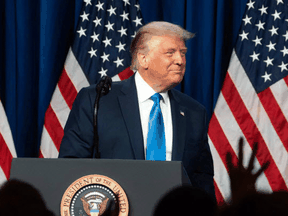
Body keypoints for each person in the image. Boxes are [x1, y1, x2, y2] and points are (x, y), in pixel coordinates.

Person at [59, 21, 215, 199]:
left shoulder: (194, 111)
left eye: (183, 53)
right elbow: (71, 164)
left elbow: (202, 178)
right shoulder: (97, 100)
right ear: (143, 58)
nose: (180, 61)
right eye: (170, 53)